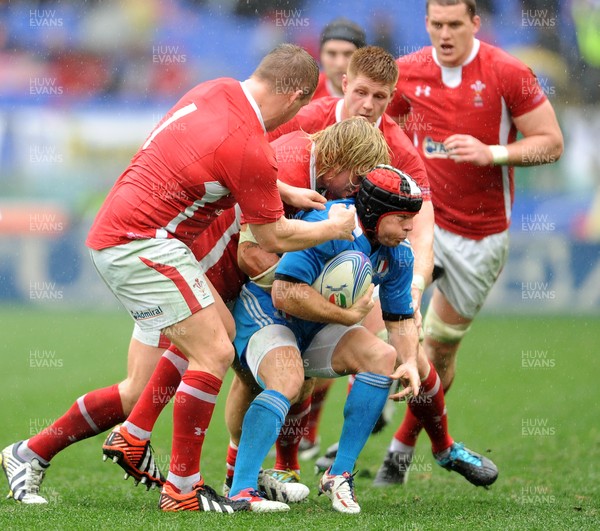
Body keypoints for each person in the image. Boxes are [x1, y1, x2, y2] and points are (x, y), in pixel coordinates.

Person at [1, 44, 360, 513]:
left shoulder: (216, 89)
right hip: (145, 245)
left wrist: (285, 188)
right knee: (215, 351)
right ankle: (183, 488)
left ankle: (29, 453)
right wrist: (333, 228)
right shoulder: (249, 142)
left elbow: (219, 160)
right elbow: (272, 233)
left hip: (139, 239)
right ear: (295, 98)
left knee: (152, 380)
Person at [97, 118, 390, 500]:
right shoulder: (292, 164)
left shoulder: (314, 151)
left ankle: (216, 468)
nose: (354, 192)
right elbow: (252, 253)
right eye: (354, 181)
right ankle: (175, 474)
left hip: (216, 266)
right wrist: (307, 284)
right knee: (213, 353)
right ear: (336, 159)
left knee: (263, 377)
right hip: (213, 261)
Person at [227, 166, 497, 514]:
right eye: (401, 218)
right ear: (374, 211)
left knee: (383, 358)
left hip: (313, 327)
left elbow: (399, 321)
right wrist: (346, 317)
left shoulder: (398, 253)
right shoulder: (330, 223)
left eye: (412, 218)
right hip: (267, 316)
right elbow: (284, 293)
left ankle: (338, 475)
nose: (409, 227)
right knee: (289, 378)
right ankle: (241, 491)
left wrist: (411, 363)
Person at [375, 0, 564, 485]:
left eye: (454, 24)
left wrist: (493, 152)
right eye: (436, 24)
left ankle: (400, 450)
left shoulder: (508, 72)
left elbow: (550, 141)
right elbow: (376, 129)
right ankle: (354, 438)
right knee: (383, 333)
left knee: (437, 352)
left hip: (482, 236)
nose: (444, 33)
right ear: (426, 24)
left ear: (475, 24)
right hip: (420, 223)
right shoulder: (407, 72)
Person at [0, 206, 243, 504]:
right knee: (144, 390)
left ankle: (32, 452)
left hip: (182, 278)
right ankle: (194, 484)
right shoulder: (272, 174)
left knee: (136, 394)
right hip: (177, 281)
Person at [268, 44, 435, 460]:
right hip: (276, 251)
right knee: (240, 359)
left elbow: (422, 227)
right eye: (361, 92)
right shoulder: (305, 123)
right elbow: (250, 166)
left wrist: (414, 287)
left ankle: (436, 447)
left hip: (355, 263)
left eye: (381, 97)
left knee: (403, 343)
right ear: (344, 82)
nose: (368, 105)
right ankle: (247, 467)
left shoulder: (398, 149)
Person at [312, 18, 367, 99]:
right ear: (320, 55)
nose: (339, 64)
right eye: (331, 54)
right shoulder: (305, 93)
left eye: (348, 54)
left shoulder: (380, 94)